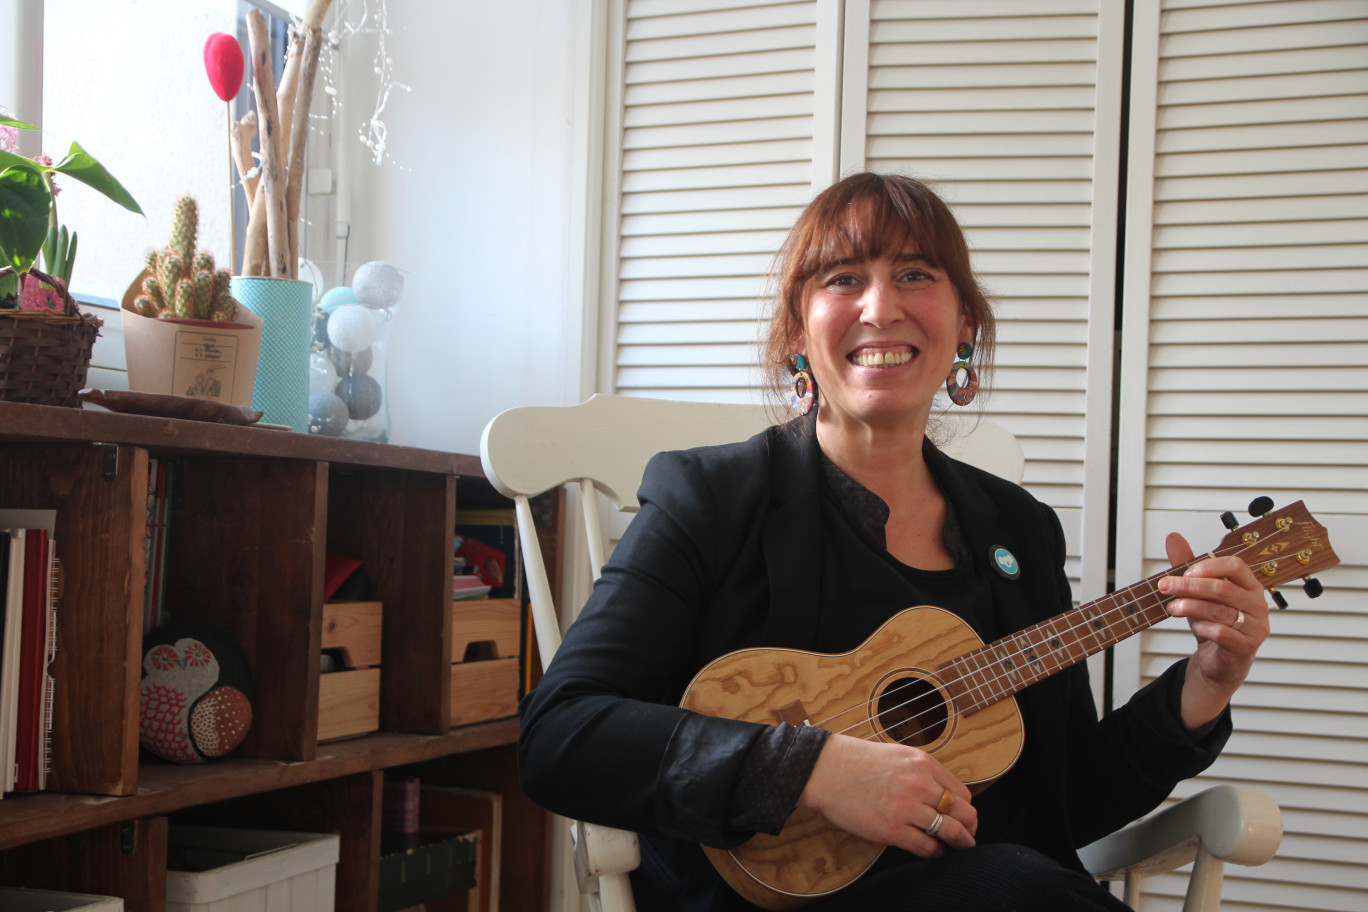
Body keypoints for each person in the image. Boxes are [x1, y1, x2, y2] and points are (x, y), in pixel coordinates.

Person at [517, 172, 1270, 911]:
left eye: (915, 274)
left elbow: (1062, 803)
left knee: (1024, 881)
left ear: (966, 325)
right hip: (772, 900)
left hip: (1000, 891)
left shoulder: (1019, 531)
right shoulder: (711, 499)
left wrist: (1204, 687)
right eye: (844, 279)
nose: (881, 307)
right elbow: (562, 732)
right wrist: (811, 769)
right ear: (797, 332)